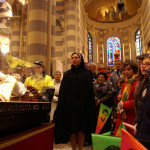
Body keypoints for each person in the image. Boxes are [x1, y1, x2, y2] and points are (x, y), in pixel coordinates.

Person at [55, 52, 96, 150]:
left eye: (76, 57)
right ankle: (74, 148)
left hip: (82, 107)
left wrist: (90, 106)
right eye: (72, 58)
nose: (74, 59)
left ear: (80, 59)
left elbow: (90, 92)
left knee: (81, 129)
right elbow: (63, 91)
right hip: (70, 107)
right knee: (72, 130)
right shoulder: (67, 74)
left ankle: (80, 148)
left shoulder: (87, 74)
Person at [114, 60, 138, 136]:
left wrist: (125, 104)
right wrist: (118, 98)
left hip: (132, 116)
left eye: (128, 69)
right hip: (122, 115)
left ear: (134, 70)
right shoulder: (125, 83)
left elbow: (138, 101)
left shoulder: (137, 83)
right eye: (124, 70)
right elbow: (122, 98)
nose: (126, 72)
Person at [134, 57, 150, 149]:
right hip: (142, 128)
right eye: (142, 64)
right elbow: (139, 106)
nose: (143, 66)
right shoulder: (143, 83)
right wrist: (137, 122)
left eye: (147, 64)